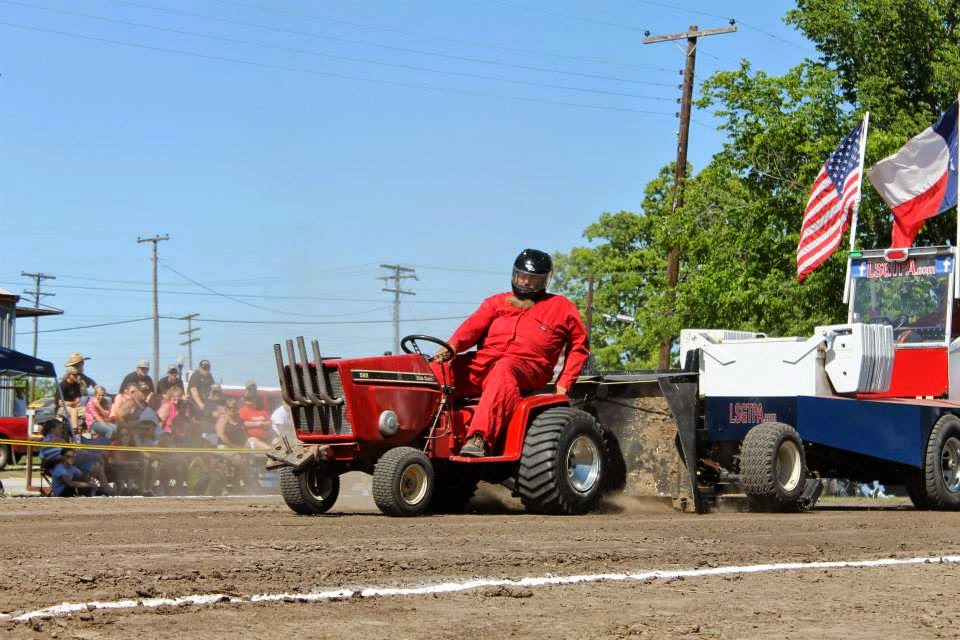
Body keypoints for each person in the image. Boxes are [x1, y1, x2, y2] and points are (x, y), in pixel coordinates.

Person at [431, 249, 589, 457]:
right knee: (434, 370)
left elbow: (579, 346)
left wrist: (563, 384)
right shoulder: (496, 302)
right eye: (521, 276)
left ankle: (479, 438)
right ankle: (418, 430)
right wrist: (451, 348)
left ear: (545, 281)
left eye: (533, 280)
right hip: (484, 363)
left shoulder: (561, 307)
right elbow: (471, 328)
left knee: (504, 369)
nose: (525, 283)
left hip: (528, 368)